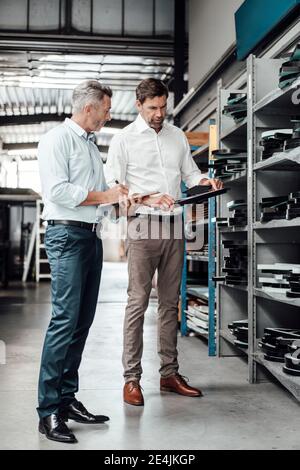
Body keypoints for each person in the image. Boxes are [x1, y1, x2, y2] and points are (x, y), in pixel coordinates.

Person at [105, 78, 223, 406]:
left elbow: (189, 174)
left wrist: (205, 181)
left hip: (174, 227)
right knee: (138, 303)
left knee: (171, 303)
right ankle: (131, 379)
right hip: (141, 226)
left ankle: (169, 373)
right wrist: (149, 198)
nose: (159, 113)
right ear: (139, 105)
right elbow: (115, 187)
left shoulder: (176, 136)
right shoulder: (124, 140)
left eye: (163, 106)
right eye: (153, 107)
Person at [37, 80, 129, 443]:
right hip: (66, 237)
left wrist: (121, 200)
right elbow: (57, 190)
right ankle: (48, 412)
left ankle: (66, 399)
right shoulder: (56, 140)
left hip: (89, 237)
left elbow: (99, 196)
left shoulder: (90, 146)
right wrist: (105, 194)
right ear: (89, 108)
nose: (109, 115)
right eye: (106, 109)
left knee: (81, 322)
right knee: (64, 321)